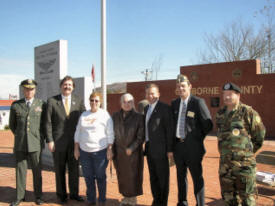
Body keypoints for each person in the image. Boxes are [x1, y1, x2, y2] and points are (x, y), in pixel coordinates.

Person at [216, 82, 266, 206]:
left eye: (230, 94)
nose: (226, 97)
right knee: (228, 199)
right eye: (224, 94)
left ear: (238, 95)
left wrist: (247, 153)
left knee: (248, 200)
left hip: (244, 166)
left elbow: (260, 135)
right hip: (225, 166)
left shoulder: (248, 112)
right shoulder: (220, 114)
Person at [171, 74, 213, 206]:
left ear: (190, 86)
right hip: (179, 147)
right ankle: (182, 202)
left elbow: (208, 125)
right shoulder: (175, 103)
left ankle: (200, 203)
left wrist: (196, 139)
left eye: (183, 86)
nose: (181, 88)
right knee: (180, 177)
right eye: (178, 86)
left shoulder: (197, 102)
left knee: (197, 177)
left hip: (193, 148)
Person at [45, 76, 85, 204]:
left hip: (75, 143)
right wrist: (50, 140)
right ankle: (61, 195)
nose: (67, 87)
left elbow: (84, 119)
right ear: (61, 86)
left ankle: (74, 194)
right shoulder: (52, 101)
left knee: (74, 170)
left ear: (73, 87)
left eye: (70, 85)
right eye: (65, 84)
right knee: (59, 169)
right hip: (58, 143)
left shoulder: (78, 101)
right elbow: (47, 122)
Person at [9, 79, 46, 206]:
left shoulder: (41, 104)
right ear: (23, 90)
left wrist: (39, 138)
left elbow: (44, 125)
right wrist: (21, 136)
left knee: (37, 171)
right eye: (26, 89)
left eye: (31, 89)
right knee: (20, 171)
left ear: (35, 90)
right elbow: (12, 125)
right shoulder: (16, 105)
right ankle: (20, 196)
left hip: (35, 143)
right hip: (20, 144)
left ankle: (38, 196)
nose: (29, 91)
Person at [74, 92, 114, 206]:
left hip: (100, 152)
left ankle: (102, 200)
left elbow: (110, 133)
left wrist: (109, 148)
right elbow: (78, 132)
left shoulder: (104, 115)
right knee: (88, 177)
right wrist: (76, 148)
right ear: (89, 101)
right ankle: (91, 200)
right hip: (84, 152)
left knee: (100, 177)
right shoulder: (84, 115)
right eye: (92, 100)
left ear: (100, 102)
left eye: (96, 100)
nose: (94, 103)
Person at [112, 93, 145, 206]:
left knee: (133, 177)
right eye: (124, 102)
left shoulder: (139, 117)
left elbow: (141, 137)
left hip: (133, 153)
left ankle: (132, 200)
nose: (127, 104)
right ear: (120, 103)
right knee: (122, 176)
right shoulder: (115, 116)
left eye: (129, 102)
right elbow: (112, 134)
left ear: (133, 103)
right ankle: (126, 198)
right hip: (119, 152)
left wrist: (132, 148)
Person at [144, 83, 174, 206]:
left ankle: (163, 203)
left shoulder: (165, 108)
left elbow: (169, 130)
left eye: (153, 93)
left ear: (158, 94)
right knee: (153, 178)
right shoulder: (146, 108)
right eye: (148, 93)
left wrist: (170, 150)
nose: (150, 96)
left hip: (161, 151)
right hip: (150, 149)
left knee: (163, 179)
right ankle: (156, 200)